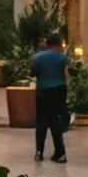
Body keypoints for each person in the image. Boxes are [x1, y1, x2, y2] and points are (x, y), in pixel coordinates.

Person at [30, 33, 69, 163]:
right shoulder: (63, 58)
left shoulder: (37, 57)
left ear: (47, 44)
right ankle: (60, 153)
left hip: (43, 92)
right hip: (59, 91)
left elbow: (33, 72)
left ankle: (39, 152)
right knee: (55, 122)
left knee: (41, 121)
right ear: (58, 45)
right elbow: (66, 75)